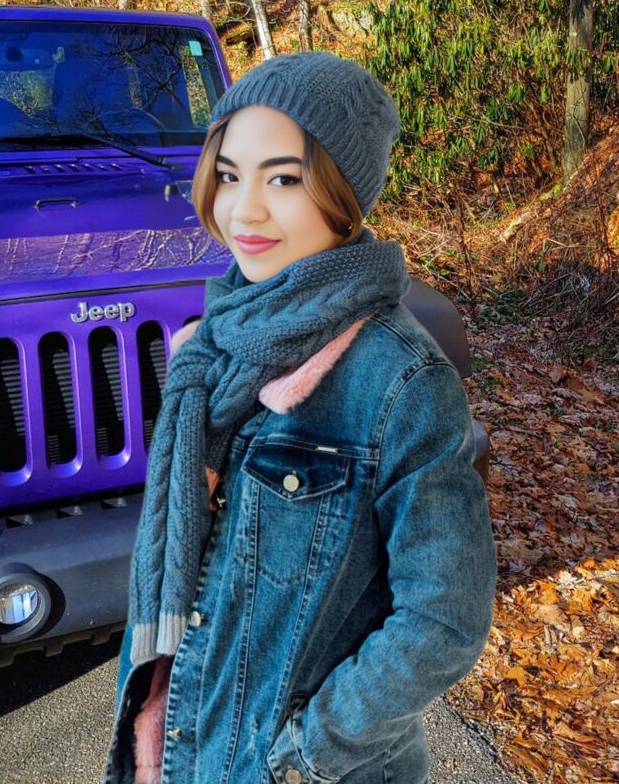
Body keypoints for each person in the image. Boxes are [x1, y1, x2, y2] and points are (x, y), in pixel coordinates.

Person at [102, 50, 497, 784]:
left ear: (343, 192)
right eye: (229, 175)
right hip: (177, 751)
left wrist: (301, 754)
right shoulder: (214, 343)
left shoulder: (400, 382)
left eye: (282, 178)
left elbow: (444, 618)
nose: (243, 210)